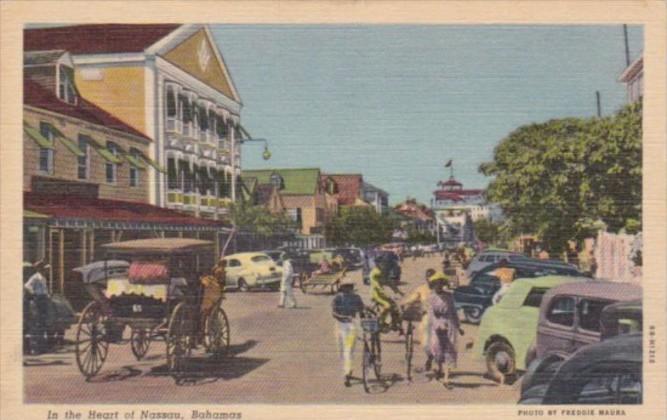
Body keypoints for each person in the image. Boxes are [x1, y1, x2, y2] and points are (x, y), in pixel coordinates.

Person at [426, 274, 464, 386]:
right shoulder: (431, 297)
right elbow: (431, 314)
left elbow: (453, 311)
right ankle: (439, 369)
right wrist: (438, 324)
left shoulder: (449, 296)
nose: (439, 286)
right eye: (436, 284)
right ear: (433, 285)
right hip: (436, 326)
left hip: (449, 325)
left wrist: (458, 326)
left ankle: (447, 377)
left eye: (441, 283)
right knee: (437, 349)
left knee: (449, 349)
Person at [331, 281, 365, 387]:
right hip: (339, 326)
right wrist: (343, 317)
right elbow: (334, 313)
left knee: (348, 350)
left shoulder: (356, 298)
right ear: (342, 288)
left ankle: (347, 373)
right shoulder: (337, 298)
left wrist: (364, 320)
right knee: (341, 351)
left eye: (350, 286)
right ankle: (347, 369)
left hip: (351, 326)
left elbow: (362, 310)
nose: (348, 289)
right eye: (346, 287)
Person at [402, 268, 437, 366]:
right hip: (427, 317)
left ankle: (440, 367)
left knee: (437, 343)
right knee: (425, 343)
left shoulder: (439, 289)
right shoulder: (421, 289)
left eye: (431, 277)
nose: (429, 279)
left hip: (439, 319)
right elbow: (412, 298)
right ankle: (430, 356)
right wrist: (402, 303)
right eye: (428, 277)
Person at [370, 255, 404, 333]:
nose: (383, 264)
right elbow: (377, 286)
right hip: (376, 294)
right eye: (381, 263)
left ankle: (394, 323)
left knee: (395, 306)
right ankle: (380, 323)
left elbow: (389, 282)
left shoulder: (383, 271)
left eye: (384, 263)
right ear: (377, 263)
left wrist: (398, 291)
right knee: (387, 306)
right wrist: (387, 295)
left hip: (382, 293)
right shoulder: (374, 273)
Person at [24, 260, 50, 354]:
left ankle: (42, 347)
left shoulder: (43, 278)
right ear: (39, 268)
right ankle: (35, 348)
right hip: (38, 300)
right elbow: (27, 286)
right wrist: (34, 294)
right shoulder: (35, 277)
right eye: (42, 268)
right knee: (37, 324)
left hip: (44, 300)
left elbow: (44, 289)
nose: (44, 270)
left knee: (43, 324)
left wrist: (47, 295)